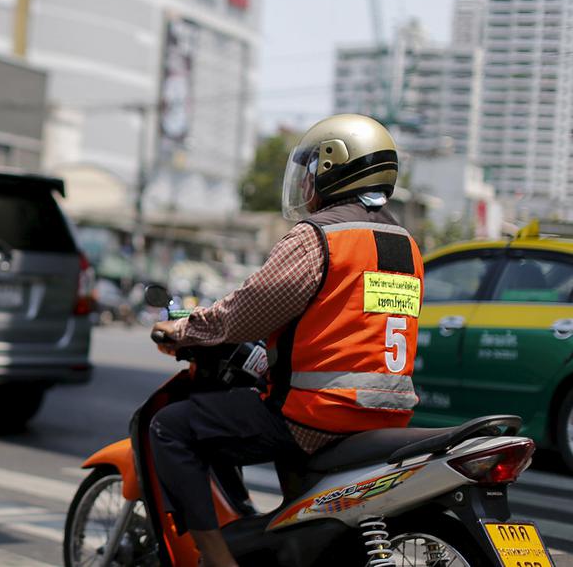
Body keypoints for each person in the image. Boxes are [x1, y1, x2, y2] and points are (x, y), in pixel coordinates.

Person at [148, 114, 423, 567]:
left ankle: (217, 559)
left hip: (317, 415)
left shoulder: (320, 237)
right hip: (385, 417)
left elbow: (247, 310)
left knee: (172, 426)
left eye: (314, 168)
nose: (308, 183)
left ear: (334, 167)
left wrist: (187, 328)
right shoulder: (404, 244)